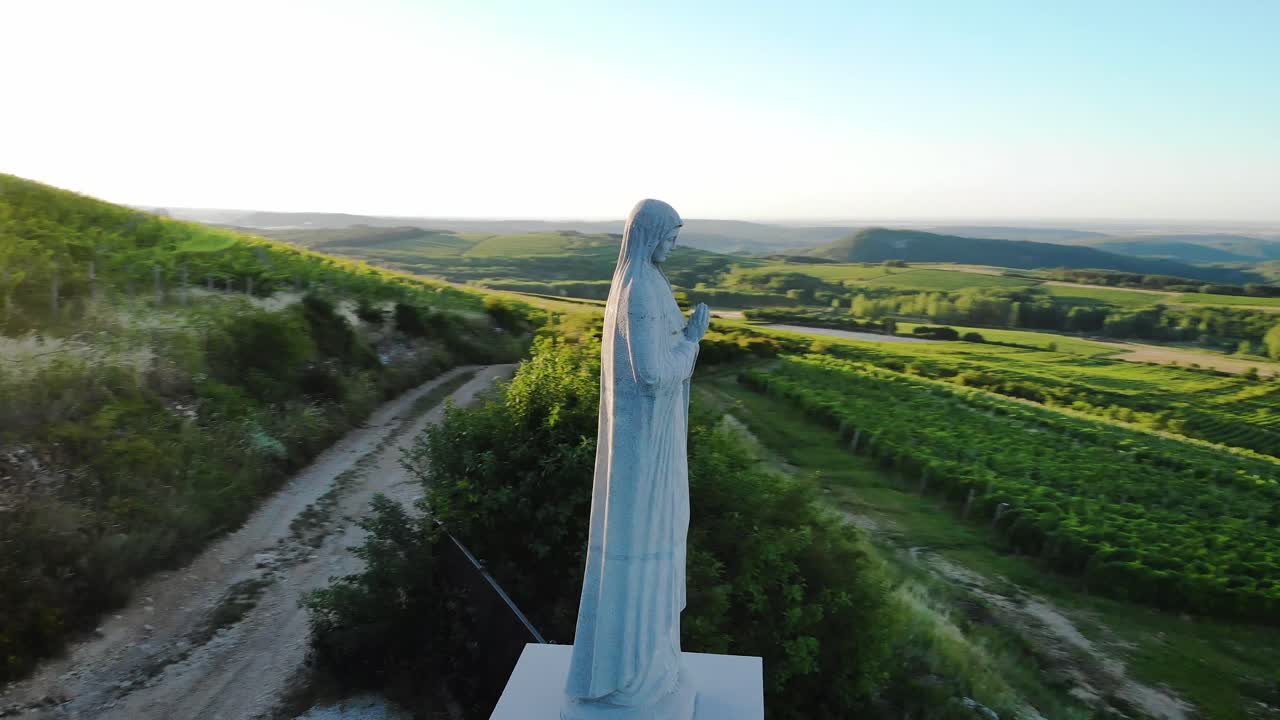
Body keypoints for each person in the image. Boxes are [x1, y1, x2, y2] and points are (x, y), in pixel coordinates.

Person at [562, 199, 708, 720]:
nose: (676, 242)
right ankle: (632, 671)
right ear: (649, 233)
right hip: (645, 453)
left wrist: (683, 340)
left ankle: (647, 662)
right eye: (671, 233)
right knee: (644, 545)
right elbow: (650, 372)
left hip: (650, 442)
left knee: (648, 544)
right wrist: (691, 342)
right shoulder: (642, 289)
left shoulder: (642, 281)